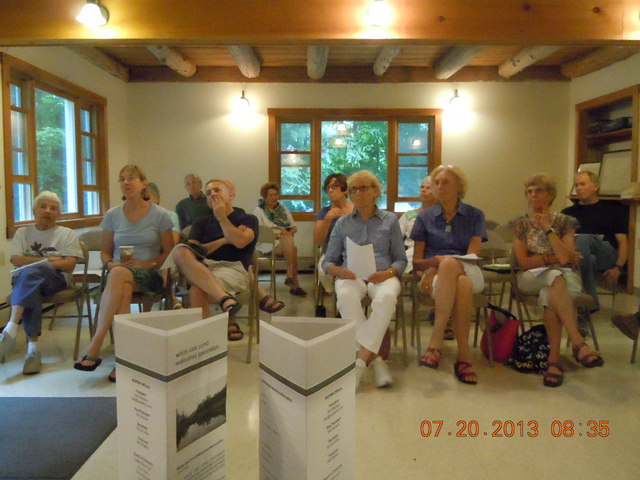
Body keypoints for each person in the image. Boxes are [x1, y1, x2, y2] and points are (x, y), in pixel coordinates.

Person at [74, 165, 174, 382]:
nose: (126, 182)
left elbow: (169, 251)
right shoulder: (112, 215)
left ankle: (97, 340)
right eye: (122, 179)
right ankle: (124, 358)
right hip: (119, 274)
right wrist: (110, 264)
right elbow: (105, 252)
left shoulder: (160, 215)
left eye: (131, 178)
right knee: (122, 284)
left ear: (143, 183)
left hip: (150, 275)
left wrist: (147, 264)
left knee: (119, 277)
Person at [510, 173, 604, 388]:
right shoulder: (520, 224)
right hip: (531, 277)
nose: (533, 195)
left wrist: (548, 229)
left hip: (564, 277)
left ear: (551, 195)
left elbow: (565, 258)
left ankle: (554, 361)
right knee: (555, 276)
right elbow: (524, 262)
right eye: (529, 191)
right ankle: (578, 341)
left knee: (550, 292)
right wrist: (553, 258)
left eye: (538, 190)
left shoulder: (565, 222)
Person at [172, 178, 285, 342]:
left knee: (196, 289)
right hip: (203, 267)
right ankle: (224, 302)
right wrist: (224, 240)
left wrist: (222, 218)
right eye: (208, 193)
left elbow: (239, 242)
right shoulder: (201, 221)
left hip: (234, 268)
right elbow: (194, 251)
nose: (212, 194)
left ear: (231, 195)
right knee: (180, 251)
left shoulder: (247, 219)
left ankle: (207, 341)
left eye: (217, 190)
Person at [323, 170, 407, 389]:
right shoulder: (342, 223)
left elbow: (401, 259)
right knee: (345, 295)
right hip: (351, 275)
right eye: (353, 189)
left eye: (363, 188)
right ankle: (376, 361)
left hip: (382, 275)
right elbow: (328, 261)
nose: (358, 193)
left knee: (386, 298)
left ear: (376, 192)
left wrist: (388, 273)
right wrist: (339, 271)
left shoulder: (390, 220)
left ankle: (360, 363)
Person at [411, 165, 487, 385]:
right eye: (436, 182)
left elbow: (472, 257)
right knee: (461, 285)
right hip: (439, 278)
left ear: (459, 187)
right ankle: (464, 358)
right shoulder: (424, 218)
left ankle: (436, 341)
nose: (439, 186)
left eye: (445, 182)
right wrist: (433, 266)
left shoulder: (475, 215)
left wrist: (440, 265)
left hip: (468, 270)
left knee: (452, 266)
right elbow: (416, 262)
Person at [0, 191, 83, 374]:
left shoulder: (67, 234)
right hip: (30, 281)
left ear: (58, 214)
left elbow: (69, 264)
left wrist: (32, 263)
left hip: (57, 280)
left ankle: (11, 327)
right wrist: (50, 261)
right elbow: (16, 260)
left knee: (29, 275)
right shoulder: (23, 232)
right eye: (43, 206)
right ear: (34, 210)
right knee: (32, 285)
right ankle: (33, 350)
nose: (47, 211)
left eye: (53, 208)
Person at [561, 171, 628, 312]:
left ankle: (578, 297)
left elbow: (623, 242)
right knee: (588, 259)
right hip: (582, 256)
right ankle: (590, 303)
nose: (579, 188)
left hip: (606, 254)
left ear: (595, 186)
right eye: (577, 185)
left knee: (584, 238)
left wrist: (618, 267)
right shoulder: (567, 213)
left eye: (583, 184)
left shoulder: (612, 210)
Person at [254, 182, 307, 296]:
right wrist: (278, 235)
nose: (274, 197)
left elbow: (294, 228)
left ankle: (291, 277)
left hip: (283, 241)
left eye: (276, 194)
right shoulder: (259, 210)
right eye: (271, 195)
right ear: (265, 197)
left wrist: (286, 234)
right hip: (267, 243)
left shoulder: (282, 209)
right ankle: (294, 283)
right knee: (292, 247)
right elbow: (259, 231)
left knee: (290, 243)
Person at [313, 173, 354, 304]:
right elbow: (318, 240)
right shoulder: (325, 212)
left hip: (353, 253)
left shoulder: (356, 209)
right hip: (331, 254)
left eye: (335, 186)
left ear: (345, 189)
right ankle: (332, 294)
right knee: (323, 271)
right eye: (328, 187)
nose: (330, 190)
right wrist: (328, 219)